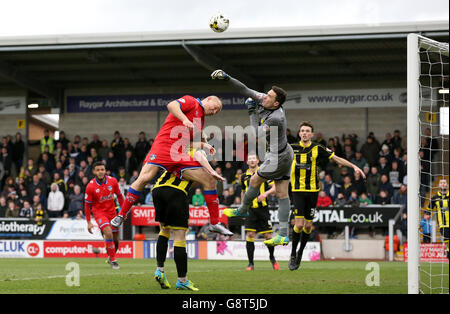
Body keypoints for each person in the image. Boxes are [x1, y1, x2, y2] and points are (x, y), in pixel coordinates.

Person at [110, 94, 233, 236]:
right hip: (163, 146)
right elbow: (171, 105)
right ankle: (121, 215)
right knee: (145, 178)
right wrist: (185, 119)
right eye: (215, 108)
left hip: (179, 154)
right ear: (209, 100)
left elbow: (189, 144)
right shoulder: (191, 101)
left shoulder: (201, 120)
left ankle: (215, 223)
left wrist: (204, 144)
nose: (215, 112)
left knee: (210, 180)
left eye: (217, 111)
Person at [212, 69, 294, 246]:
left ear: (276, 103)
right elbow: (244, 89)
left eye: (269, 97)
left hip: (278, 158)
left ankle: (242, 209)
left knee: (255, 181)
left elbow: (255, 133)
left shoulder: (276, 118)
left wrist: (251, 112)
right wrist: (227, 78)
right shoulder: (266, 100)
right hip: (285, 153)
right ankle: (283, 235)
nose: (264, 97)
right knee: (282, 193)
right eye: (266, 94)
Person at [288, 121, 366, 270]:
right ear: (299, 133)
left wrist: (354, 166)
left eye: (307, 131)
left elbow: (336, 158)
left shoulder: (318, 148)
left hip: (313, 192)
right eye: (302, 130)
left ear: (312, 134)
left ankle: (300, 253)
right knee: (298, 224)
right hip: (297, 191)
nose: (304, 133)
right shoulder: (292, 148)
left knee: (308, 226)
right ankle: (293, 255)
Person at [152, 169, 199, 291]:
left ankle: (160, 270)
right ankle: (182, 280)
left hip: (157, 189)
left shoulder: (177, 155)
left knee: (164, 230)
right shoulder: (197, 162)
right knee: (179, 236)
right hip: (176, 192)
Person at [240, 153, 279, 271]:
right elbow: (243, 192)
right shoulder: (243, 176)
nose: (252, 161)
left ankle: (272, 258)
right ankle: (251, 264)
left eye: (254, 159)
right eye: (249, 159)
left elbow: (275, 188)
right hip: (250, 209)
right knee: (250, 235)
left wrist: (265, 194)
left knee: (268, 236)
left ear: (258, 161)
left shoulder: (265, 173)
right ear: (247, 162)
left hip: (263, 209)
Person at [85, 161, 125, 269]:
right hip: (100, 214)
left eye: (102, 169)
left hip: (113, 213)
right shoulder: (90, 186)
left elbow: (120, 197)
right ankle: (113, 260)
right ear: (94, 171)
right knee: (108, 233)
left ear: (105, 170)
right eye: (98, 170)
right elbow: (87, 205)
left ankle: (110, 256)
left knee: (116, 240)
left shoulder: (113, 181)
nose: (100, 172)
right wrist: (89, 222)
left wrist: (123, 212)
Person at [428, 179, 449, 259]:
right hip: (443, 224)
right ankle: (447, 250)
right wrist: (427, 215)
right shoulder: (434, 197)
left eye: (444, 182)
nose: (443, 184)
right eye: (441, 183)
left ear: (447, 185)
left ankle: (447, 250)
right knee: (447, 239)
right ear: (439, 185)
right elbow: (429, 209)